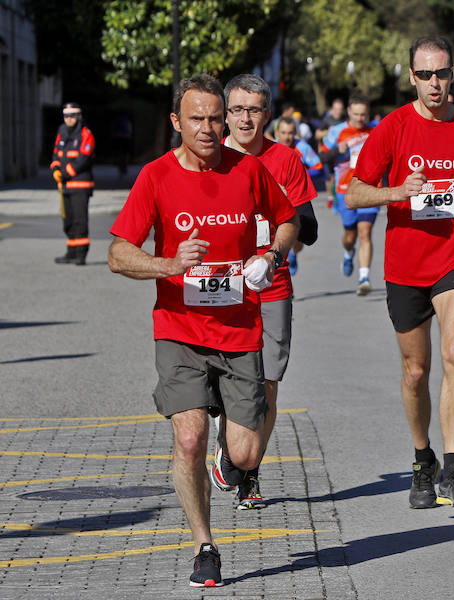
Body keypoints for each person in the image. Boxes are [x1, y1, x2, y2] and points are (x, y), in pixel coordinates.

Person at [107, 74, 299, 587]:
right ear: (177, 122)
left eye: (217, 118)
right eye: (198, 118)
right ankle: (204, 545)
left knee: (246, 454)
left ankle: (230, 456)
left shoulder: (250, 170)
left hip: (239, 332)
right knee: (188, 439)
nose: (210, 128)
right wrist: (168, 264)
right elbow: (118, 255)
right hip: (180, 330)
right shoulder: (155, 177)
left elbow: (288, 220)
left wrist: (271, 256)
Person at [347, 35, 454, 509]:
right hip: (406, 265)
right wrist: (397, 193)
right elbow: (354, 193)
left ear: (452, 74)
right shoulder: (392, 128)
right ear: (411, 77)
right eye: (425, 75)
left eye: (442, 73)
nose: (435, 84)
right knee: (415, 371)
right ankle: (423, 460)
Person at [223, 74, 318, 509]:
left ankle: (250, 471)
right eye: (238, 109)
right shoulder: (209, 156)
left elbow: (305, 225)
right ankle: (230, 447)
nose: (246, 118)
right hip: (221, 288)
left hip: (273, 286)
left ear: (267, 114)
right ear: (226, 113)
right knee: (227, 382)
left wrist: (278, 248)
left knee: (268, 385)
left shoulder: (286, 160)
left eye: (254, 110)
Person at [320, 95, 377, 295]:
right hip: (345, 190)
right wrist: (337, 150)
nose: (360, 119)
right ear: (349, 113)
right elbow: (322, 157)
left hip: (370, 189)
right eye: (356, 114)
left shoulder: (375, 130)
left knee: (365, 232)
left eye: (364, 115)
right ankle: (348, 251)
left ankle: (364, 278)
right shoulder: (337, 131)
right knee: (351, 236)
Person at [275, 116, 325, 275]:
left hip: (297, 196)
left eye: (290, 133)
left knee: (298, 238)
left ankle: (294, 254)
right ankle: (282, 268)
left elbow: (318, 167)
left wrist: (300, 174)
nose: (287, 137)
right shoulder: (271, 149)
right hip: (279, 198)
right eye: (283, 133)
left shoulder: (302, 147)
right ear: (277, 133)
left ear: (295, 133)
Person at [50, 102, 95, 265]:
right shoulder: (61, 131)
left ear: (79, 116)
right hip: (64, 185)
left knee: (79, 220)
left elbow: (83, 158)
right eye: (66, 116)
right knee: (67, 220)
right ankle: (71, 251)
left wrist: (65, 173)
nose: (68, 119)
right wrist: (55, 169)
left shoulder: (86, 133)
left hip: (80, 185)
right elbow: (56, 153)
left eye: (72, 116)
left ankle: (81, 253)